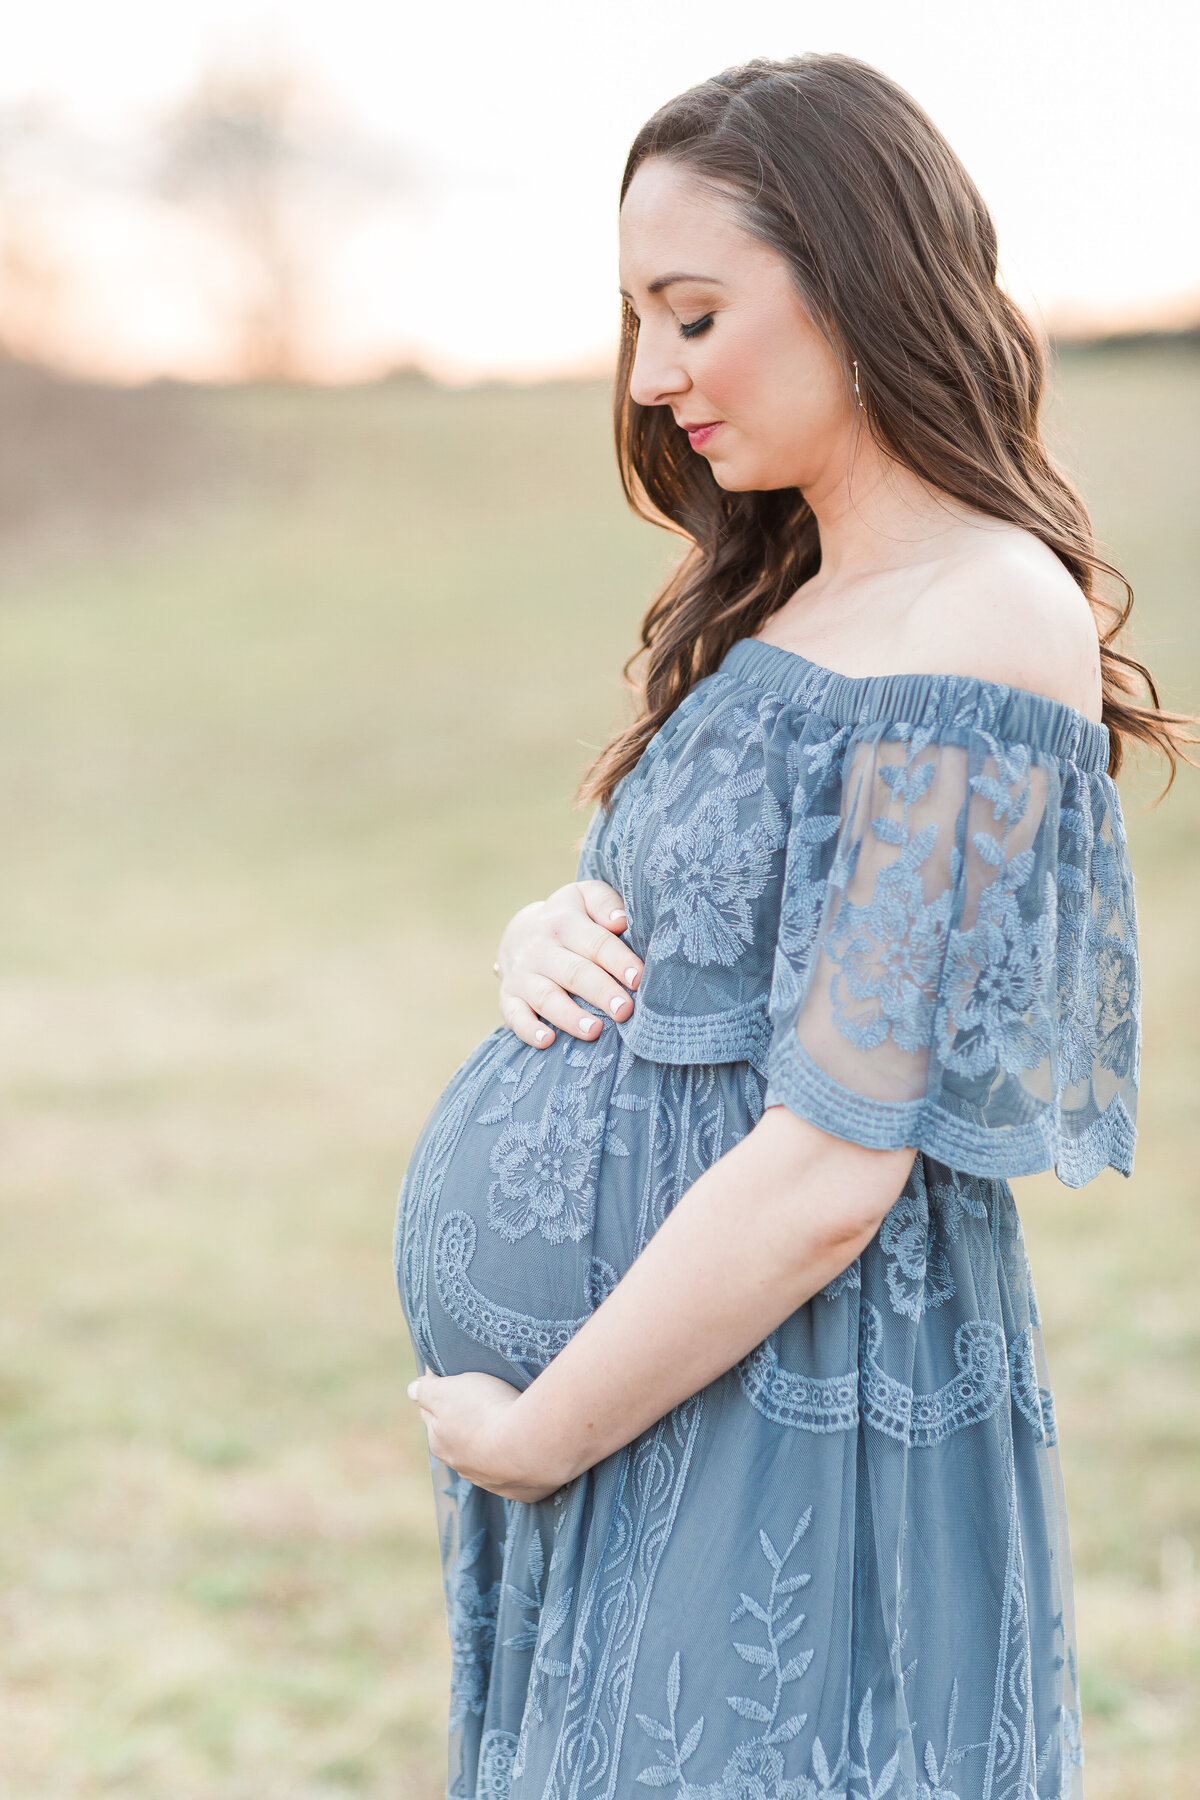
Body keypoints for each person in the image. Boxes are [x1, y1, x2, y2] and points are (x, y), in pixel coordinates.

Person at [395, 52, 1190, 1800]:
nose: (647, 375)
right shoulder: (810, 587)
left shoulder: (979, 616)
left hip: (784, 1418)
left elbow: (838, 1159)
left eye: (691, 313)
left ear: (857, 274)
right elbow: (701, 943)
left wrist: (539, 1430)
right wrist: (547, 940)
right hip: (665, 1404)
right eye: (632, 319)